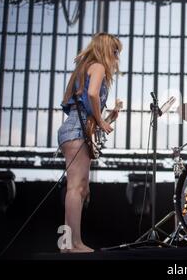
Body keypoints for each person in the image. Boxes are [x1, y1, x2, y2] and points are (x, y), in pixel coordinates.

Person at [57, 33, 122, 252]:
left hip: (75, 127)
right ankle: (73, 243)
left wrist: (109, 116)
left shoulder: (85, 67)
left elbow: (88, 107)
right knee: (76, 188)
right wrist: (102, 119)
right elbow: (93, 94)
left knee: (80, 189)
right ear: (105, 49)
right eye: (115, 51)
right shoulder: (98, 67)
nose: (116, 56)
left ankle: (67, 243)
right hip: (76, 129)